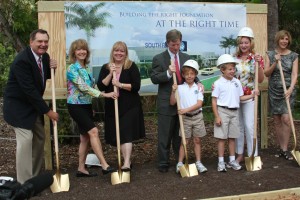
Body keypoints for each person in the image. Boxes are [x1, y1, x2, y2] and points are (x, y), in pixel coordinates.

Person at [3, 29, 59, 184]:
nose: (43, 44)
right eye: (39, 41)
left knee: (40, 138)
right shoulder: (22, 61)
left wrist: (52, 69)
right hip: (17, 108)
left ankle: (32, 178)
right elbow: (30, 91)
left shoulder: (44, 57)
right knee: (26, 140)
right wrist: (48, 112)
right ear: (31, 42)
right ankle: (23, 183)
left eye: (45, 41)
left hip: (31, 107)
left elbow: (45, 78)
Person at [67, 39, 115, 177]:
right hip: (75, 106)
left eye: (84, 49)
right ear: (74, 52)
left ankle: (81, 168)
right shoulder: (72, 69)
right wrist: (104, 94)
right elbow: (83, 87)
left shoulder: (87, 68)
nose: (82, 52)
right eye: (78, 49)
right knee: (93, 131)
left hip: (87, 106)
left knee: (84, 138)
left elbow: (93, 86)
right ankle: (105, 165)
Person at [97, 41, 145, 171]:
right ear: (112, 52)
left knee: (126, 133)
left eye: (121, 51)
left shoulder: (131, 66)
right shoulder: (106, 67)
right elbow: (101, 86)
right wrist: (110, 73)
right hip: (113, 107)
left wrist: (120, 84)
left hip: (129, 106)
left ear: (125, 53)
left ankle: (127, 163)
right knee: (119, 135)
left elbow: (136, 86)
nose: (119, 53)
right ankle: (125, 161)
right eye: (116, 50)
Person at [150, 29, 190, 173]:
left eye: (178, 44)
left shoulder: (186, 58)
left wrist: (198, 83)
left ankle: (180, 161)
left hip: (183, 103)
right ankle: (163, 162)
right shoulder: (159, 58)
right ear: (167, 43)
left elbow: (192, 75)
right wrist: (168, 73)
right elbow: (154, 78)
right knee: (164, 135)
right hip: (166, 102)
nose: (176, 47)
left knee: (179, 135)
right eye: (173, 45)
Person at [212, 54, 257, 172]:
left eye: (233, 69)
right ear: (222, 69)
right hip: (222, 111)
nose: (233, 71)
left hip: (234, 112)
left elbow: (240, 98)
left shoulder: (237, 82)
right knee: (221, 138)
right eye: (230, 69)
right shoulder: (218, 83)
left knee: (232, 137)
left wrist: (252, 95)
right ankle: (221, 162)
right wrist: (217, 116)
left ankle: (232, 160)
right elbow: (214, 100)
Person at [264, 30, 299, 160]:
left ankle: (286, 147)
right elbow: (266, 73)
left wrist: (291, 88)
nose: (284, 41)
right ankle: (282, 149)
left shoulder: (294, 56)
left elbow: (295, 74)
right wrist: (275, 61)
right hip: (274, 90)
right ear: (278, 40)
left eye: (286, 39)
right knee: (277, 120)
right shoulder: (270, 54)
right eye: (282, 39)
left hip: (287, 91)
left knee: (286, 119)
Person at [170, 60, 208, 174]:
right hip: (185, 119)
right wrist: (173, 91)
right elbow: (172, 102)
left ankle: (198, 162)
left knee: (197, 140)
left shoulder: (199, 88)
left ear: (195, 74)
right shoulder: (180, 88)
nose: (189, 76)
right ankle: (180, 163)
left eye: (192, 74)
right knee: (184, 141)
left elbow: (199, 104)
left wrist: (184, 110)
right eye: (187, 74)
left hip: (197, 117)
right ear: (183, 75)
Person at [233, 27, 265, 164]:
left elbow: (260, 79)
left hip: (250, 96)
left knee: (249, 126)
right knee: (238, 127)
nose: (244, 45)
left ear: (251, 43)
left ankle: (253, 155)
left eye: (246, 42)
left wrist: (258, 64)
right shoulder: (234, 59)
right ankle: (239, 154)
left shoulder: (256, 58)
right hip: (235, 97)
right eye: (241, 43)